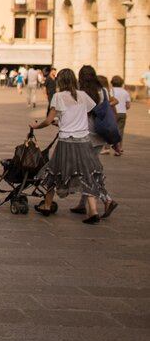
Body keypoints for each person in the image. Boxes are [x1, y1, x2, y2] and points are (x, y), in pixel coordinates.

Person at [30, 68, 117, 224]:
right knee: (87, 174)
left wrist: (36, 126)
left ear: (60, 81)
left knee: (54, 171)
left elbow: (48, 120)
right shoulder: (83, 96)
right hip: (83, 140)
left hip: (66, 142)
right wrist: (65, 121)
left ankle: (47, 205)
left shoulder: (58, 97)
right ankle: (94, 211)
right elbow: (85, 113)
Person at [110, 76, 130, 153]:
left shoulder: (111, 91)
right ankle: (119, 147)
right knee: (120, 131)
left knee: (110, 131)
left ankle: (107, 148)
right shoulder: (125, 92)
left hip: (113, 113)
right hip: (122, 113)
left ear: (111, 83)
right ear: (122, 83)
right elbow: (128, 105)